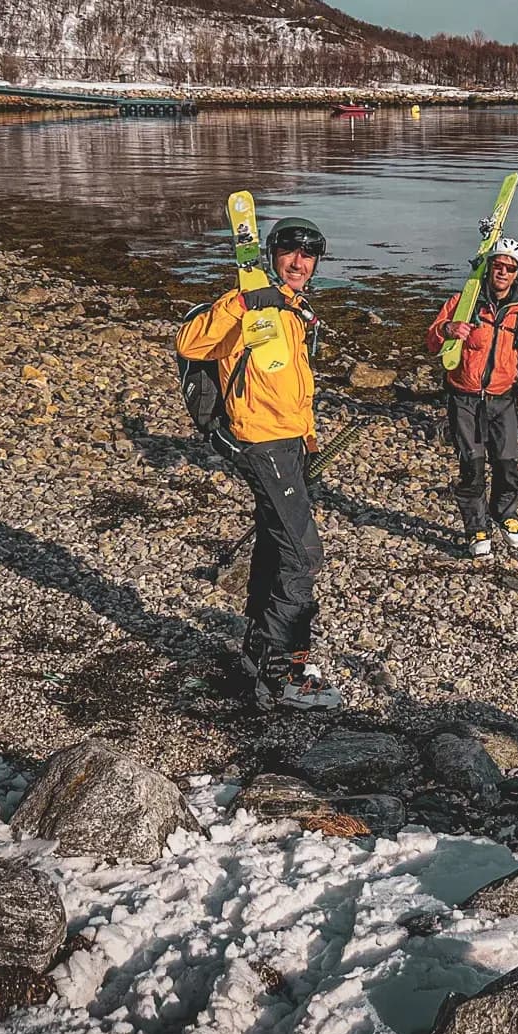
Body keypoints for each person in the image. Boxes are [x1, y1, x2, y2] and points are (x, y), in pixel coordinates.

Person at [175, 215, 338, 710]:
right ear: (271, 255)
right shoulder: (246, 307)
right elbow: (191, 343)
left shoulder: (293, 311)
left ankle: (256, 651)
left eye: (308, 255)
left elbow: (293, 384)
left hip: (288, 443)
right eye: (290, 252)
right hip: (259, 443)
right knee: (302, 553)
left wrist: (308, 441)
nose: (298, 262)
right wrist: (245, 301)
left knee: (275, 540)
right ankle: (283, 672)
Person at [425, 238, 518, 556]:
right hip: (464, 399)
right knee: (471, 468)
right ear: (489, 267)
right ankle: (477, 529)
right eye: (498, 266)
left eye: (510, 268)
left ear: (517, 272)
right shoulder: (463, 302)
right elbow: (432, 341)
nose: (502, 272)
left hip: (503, 400)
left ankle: (505, 515)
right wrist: (447, 330)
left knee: (507, 466)